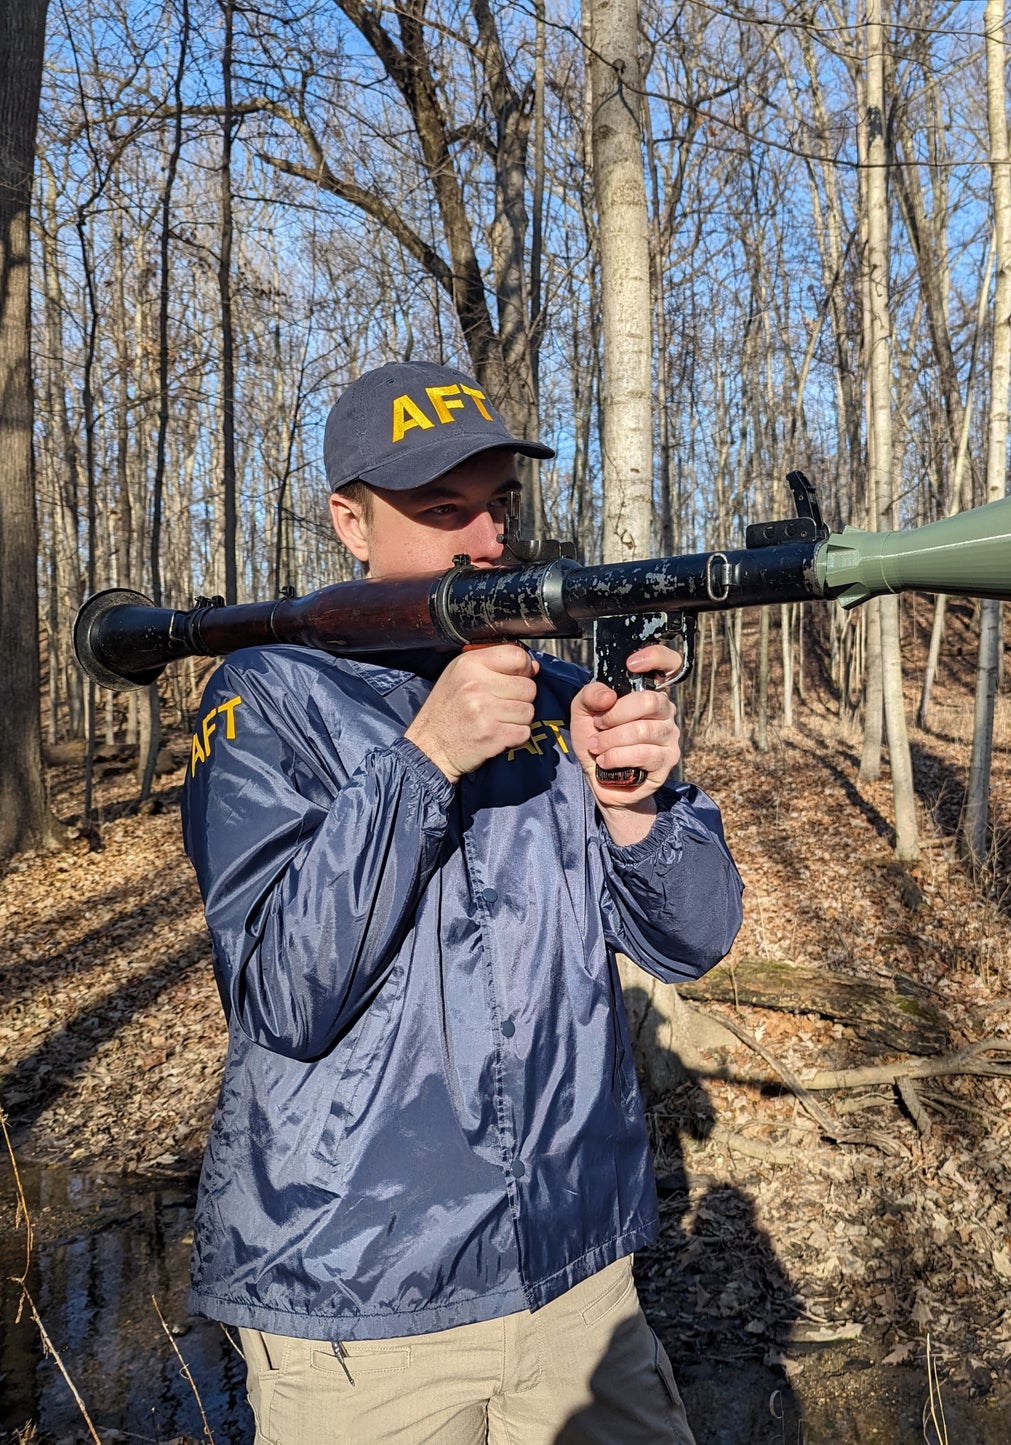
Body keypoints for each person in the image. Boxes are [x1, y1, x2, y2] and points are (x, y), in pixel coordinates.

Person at [180, 360, 744, 1444]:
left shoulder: (547, 688)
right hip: (357, 1297)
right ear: (350, 522)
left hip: (576, 1277)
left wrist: (636, 802)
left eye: (499, 507)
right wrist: (425, 754)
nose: (486, 539)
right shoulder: (264, 693)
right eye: (444, 511)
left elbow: (693, 937)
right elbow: (283, 994)